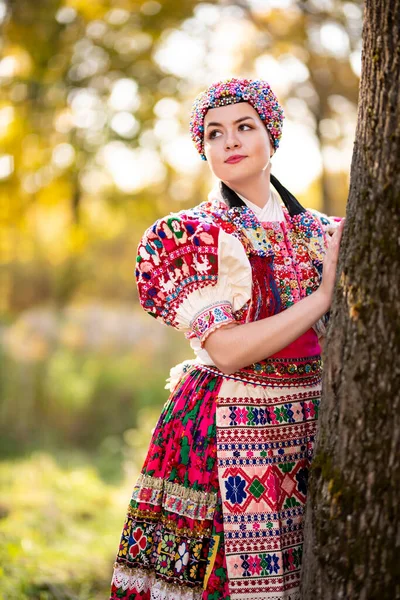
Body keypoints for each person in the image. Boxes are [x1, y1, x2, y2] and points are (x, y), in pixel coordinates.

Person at [109, 78, 344, 600]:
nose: (230, 141)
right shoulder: (191, 234)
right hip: (229, 422)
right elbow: (229, 350)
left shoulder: (326, 232)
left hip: (314, 425)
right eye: (215, 133)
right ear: (205, 150)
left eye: (244, 127)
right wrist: (321, 297)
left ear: (271, 136)